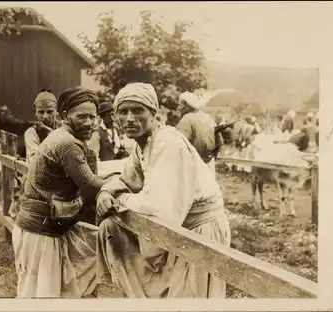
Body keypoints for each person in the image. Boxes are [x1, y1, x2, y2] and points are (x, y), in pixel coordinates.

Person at [95, 82, 231, 298]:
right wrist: (106, 192)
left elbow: (156, 205)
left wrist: (119, 202)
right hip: (179, 227)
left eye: (138, 110)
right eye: (123, 111)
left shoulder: (167, 143)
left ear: (153, 113)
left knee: (190, 301)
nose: (129, 118)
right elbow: (127, 179)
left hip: (201, 229)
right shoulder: (143, 144)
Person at [12, 86, 107, 298]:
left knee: (40, 293)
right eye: (82, 116)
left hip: (38, 229)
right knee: (42, 297)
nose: (89, 123)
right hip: (40, 233)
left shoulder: (59, 135)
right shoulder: (67, 144)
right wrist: (124, 182)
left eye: (93, 117)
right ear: (65, 115)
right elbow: (91, 186)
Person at [175, 91, 218, 174]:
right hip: (209, 161)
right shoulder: (208, 117)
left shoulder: (186, 119)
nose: (178, 108)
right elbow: (219, 140)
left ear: (187, 106)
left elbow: (179, 144)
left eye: (180, 105)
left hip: (193, 164)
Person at [24, 89, 62, 165]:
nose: (45, 116)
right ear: (36, 113)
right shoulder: (31, 133)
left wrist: (50, 134)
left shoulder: (64, 128)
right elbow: (36, 164)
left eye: (49, 112)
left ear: (56, 112)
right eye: (41, 112)